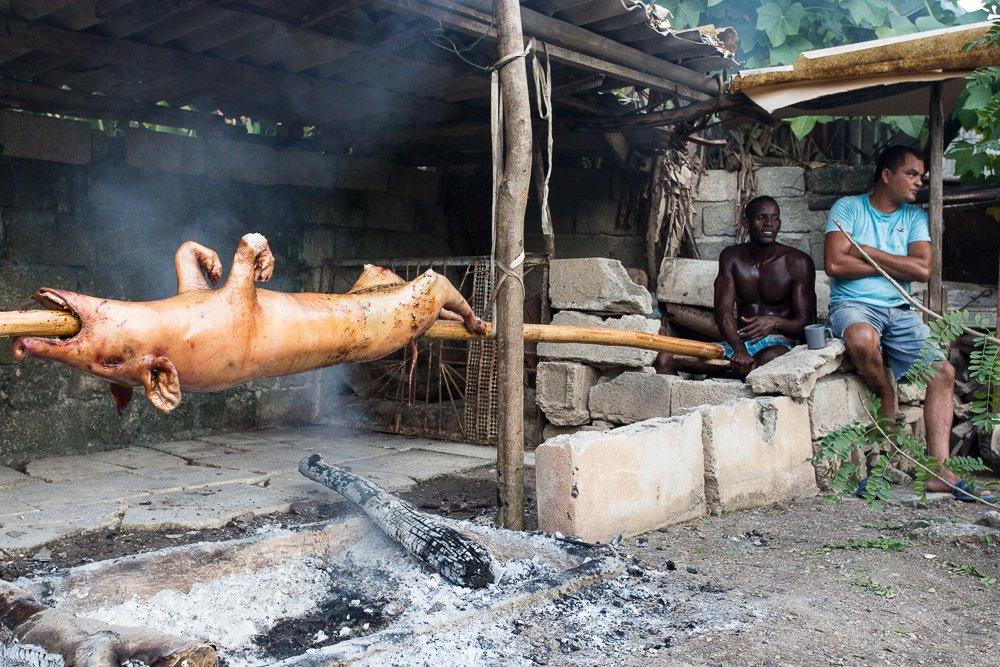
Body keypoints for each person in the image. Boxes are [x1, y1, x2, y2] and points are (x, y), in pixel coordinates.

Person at [824, 144, 994, 502]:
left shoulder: (914, 218)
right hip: (854, 305)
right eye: (912, 174)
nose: (919, 182)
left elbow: (922, 269)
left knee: (943, 372)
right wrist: (890, 263)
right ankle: (886, 390)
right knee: (859, 337)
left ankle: (939, 471)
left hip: (900, 309)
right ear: (887, 175)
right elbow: (835, 265)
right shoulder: (849, 208)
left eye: (921, 176)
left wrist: (863, 251)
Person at [655, 196, 816, 377]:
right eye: (761, 217)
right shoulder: (732, 257)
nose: (769, 223)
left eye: (775, 218)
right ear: (746, 223)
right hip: (737, 346)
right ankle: (680, 404)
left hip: (779, 346)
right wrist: (739, 349)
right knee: (664, 358)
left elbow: (807, 323)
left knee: (767, 362)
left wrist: (775, 322)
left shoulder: (798, 262)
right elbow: (722, 310)